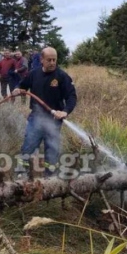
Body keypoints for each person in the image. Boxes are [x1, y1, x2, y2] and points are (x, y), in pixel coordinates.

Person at [12, 47, 77, 178]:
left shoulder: (62, 77)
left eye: (54, 60)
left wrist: (65, 112)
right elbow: (22, 85)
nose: (52, 62)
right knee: (28, 146)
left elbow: (72, 97)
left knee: (52, 151)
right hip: (35, 119)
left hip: (54, 121)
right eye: (49, 60)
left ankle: (50, 178)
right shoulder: (33, 74)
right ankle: (21, 175)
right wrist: (17, 89)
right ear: (41, 59)